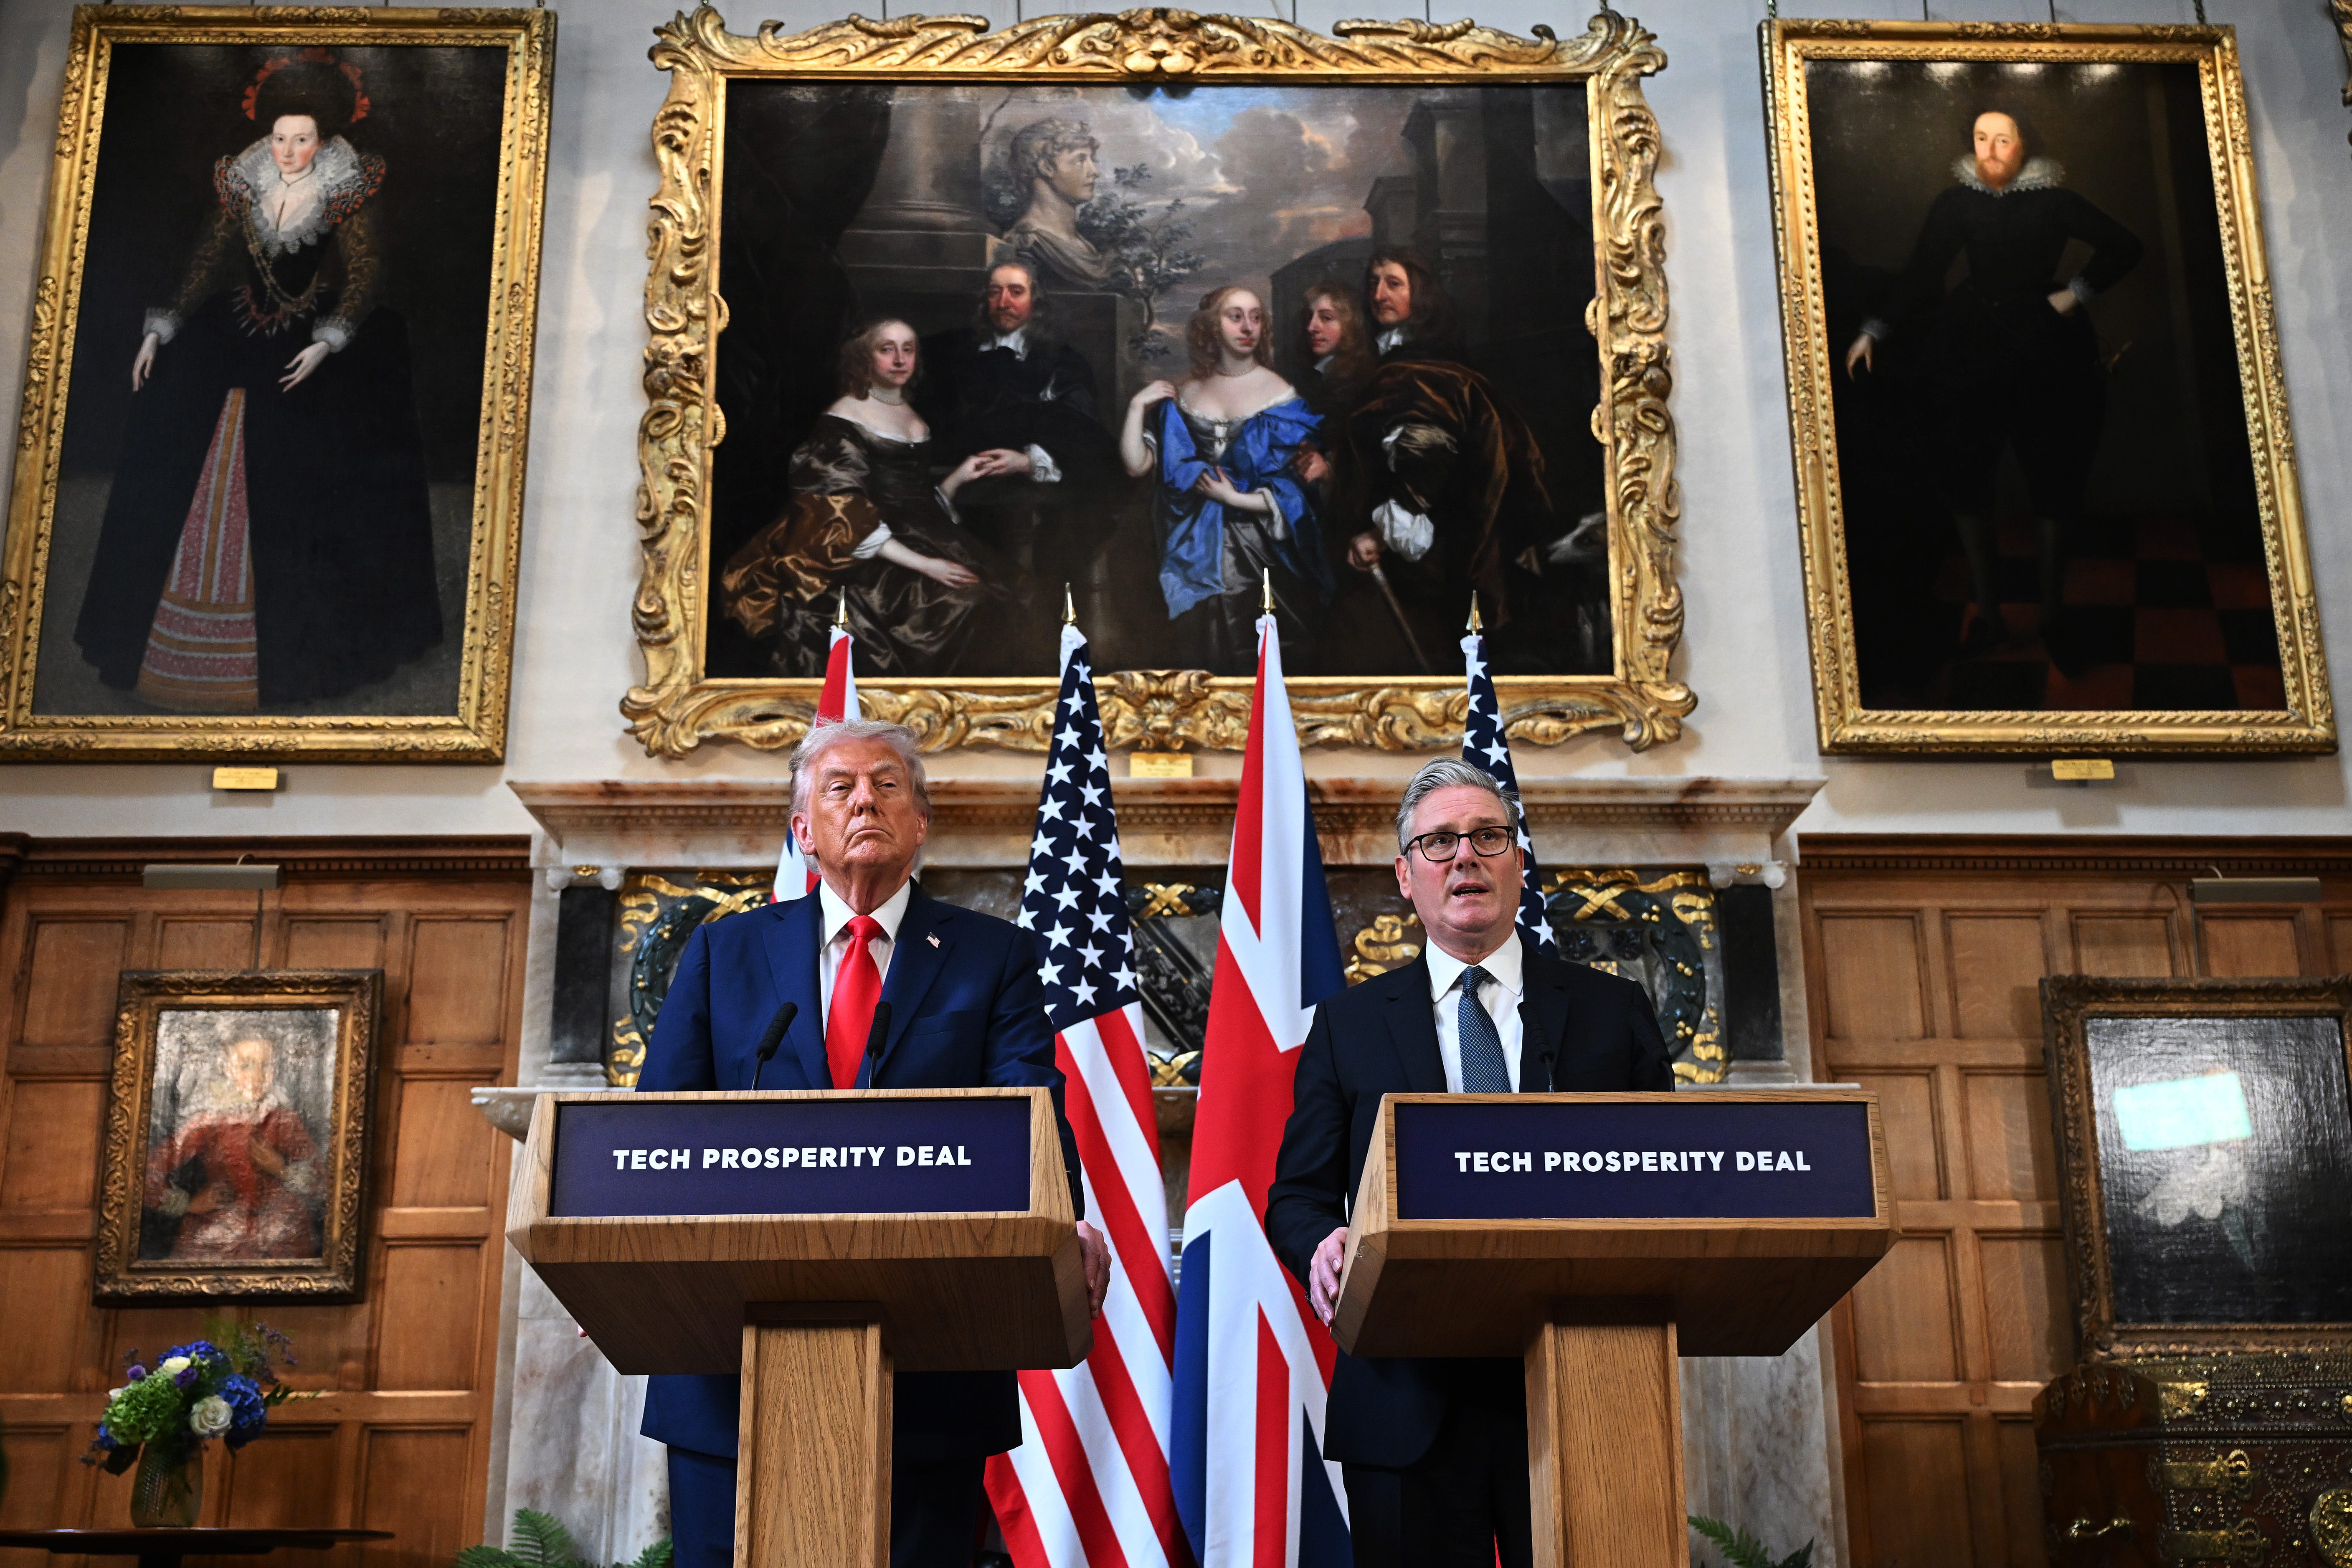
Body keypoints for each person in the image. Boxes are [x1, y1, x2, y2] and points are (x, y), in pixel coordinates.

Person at [637, 718, 1114, 1568]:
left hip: (929, 1363)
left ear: (920, 822)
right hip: (729, 1368)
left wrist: (1061, 1216)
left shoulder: (992, 954)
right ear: (802, 829)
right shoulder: (723, 952)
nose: (865, 798)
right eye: (839, 786)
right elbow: (661, 1120)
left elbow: (1029, 1102)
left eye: (888, 784)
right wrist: (626, 1255)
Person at [1263, 757, 1675, 1568]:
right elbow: (1297, 1194)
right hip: (1404, 1398)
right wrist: (1321, 1242)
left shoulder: (1609, 1010)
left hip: (1584, 1388)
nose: (1464, 856)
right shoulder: (1349, 1024)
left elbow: (1664, 1170)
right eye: (1439, 840)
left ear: (1518, 860)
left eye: (1487, 835)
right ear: (1404, 874)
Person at [75, 51, 440, 711]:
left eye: (302, 138)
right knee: (181, 429)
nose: (290, 149)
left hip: (310, 334)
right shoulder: (244, 182)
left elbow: (363, 271)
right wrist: (162, 326)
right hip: (236, 328)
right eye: (280, 137)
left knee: (308, 469)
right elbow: (207, 259)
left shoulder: (342, 184)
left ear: (321, 140)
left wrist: (331, 341)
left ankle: (302, 651)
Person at [1843, 108, 2142, 665]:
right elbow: (1923, 272)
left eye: (2003, 139)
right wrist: (1874, 329)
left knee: (2054, 473)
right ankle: (1989, 614)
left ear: (2026, 145)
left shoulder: (2055, 200)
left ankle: (2053, 616)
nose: (1991, 149)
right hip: (1968, 349)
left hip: (2048, 348)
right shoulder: (1956, 203)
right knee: (1966, 473)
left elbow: (2126, 245)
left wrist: (2074, 294)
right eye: (1982, 139)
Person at [718, 319, 1013, 677]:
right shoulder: (844, 418)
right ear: (865, 358)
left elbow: (913, 506)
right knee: (958, 603)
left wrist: (957, 479)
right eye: (887, 349)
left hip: (914, 536)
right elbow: (839, 512)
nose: (900, 359)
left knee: (1006, 593)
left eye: (909, 349)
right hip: (859, 550)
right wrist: (926, 565)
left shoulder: (912, 416)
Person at [1341, 248, 1561, 675]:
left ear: (1420, 294)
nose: (1378, 294)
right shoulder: (1411, 361)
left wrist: (1380, 536)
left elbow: (1427, 453)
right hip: (1442, 541)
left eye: (1393, 283)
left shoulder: (1421, 371)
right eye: (1373, 283)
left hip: (1434, 552)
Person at [1118, 285, 1330, 675]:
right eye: (1235, 316)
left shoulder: (1281, 396)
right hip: (1190, 547)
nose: (1247, 326)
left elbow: (1298, 490)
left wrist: (1235, 500)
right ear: (1211, 328)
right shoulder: (1183, 395)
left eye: (1255, 317)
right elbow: (1137, 465)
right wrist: (1136, 407)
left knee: (1260, 650)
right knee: (1197, 653)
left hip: (1263, 551)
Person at [917, 260, 1125, 616]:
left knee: (1054, 551)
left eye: (1016, 292)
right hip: (960, 481)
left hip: (1036, 492)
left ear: (1036, 301)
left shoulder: (1062, 361)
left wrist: (1030, 460)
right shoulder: (948, 352)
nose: (1003, 302)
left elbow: (1085, 433)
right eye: (994, 292)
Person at [143, 1035, 322, 1261]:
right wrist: (188, 1204)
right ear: (227, 1069)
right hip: (219, 1237)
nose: (258, 1076)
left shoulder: (285, 1120)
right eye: (246, 1065)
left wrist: (282, 1170)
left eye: (265, 1066)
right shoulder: (208, 1122)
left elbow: (324, 1181)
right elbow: (146, 1173)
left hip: (283, 1236)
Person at [1003, 118, 1112, 289]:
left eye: (1091, 160)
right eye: (1080, 160)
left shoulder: (1086, 247)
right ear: (1046, 167)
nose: (1094, 172)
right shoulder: (1027, 245)